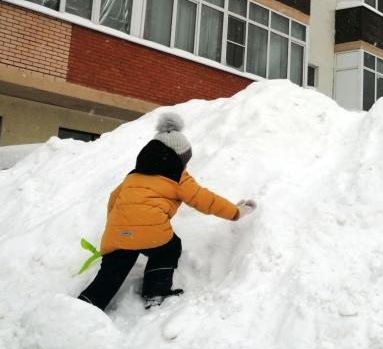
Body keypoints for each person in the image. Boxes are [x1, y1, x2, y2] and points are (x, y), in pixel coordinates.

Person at [78, 111, 256, 310]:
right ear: (178, 159)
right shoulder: (177, 176)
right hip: (152, 234)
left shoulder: (133, 176)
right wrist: (235, 212)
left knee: (111, 273)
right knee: (169, 249)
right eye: (185, 160)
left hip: (118, 234)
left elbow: (113, 199)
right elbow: (205, 200)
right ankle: (156, 291)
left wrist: (117, 225)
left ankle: (86, 304)